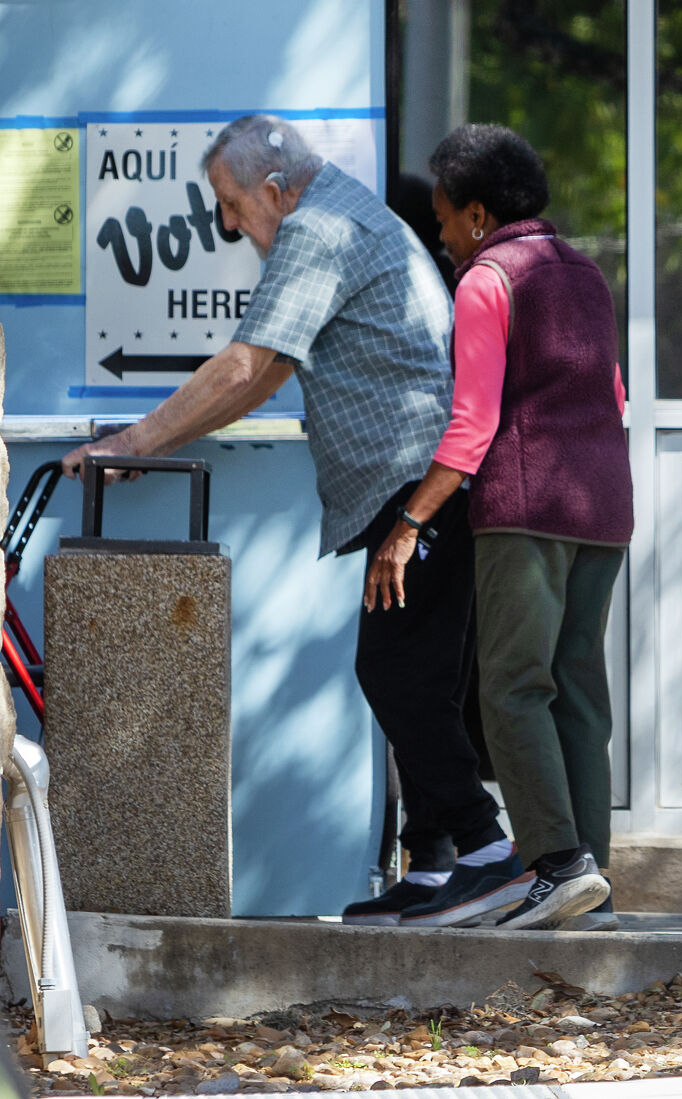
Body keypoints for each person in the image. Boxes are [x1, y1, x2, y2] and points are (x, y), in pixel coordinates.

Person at [59, 114, 526, 926]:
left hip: (416, 490)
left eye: (230, 204)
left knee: (395, 672)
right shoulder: (343, 214)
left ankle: (488, 853)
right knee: (421, 675)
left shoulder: (320, 229)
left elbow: (250, 365)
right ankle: (431, 863)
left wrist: (130, 442)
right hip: (416, 484)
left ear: (275, 189)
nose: (229, 225)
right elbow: (262, 372)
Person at [365, 123, 633, 932]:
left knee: (514, 687)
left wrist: (410, 520)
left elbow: (472, 424)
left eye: (445, 216)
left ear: (478, 215)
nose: (440, 233)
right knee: (580, 689)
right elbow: (613, 398)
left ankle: (555, 865)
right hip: (604, 507)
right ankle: (593, 877)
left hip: (526, 507)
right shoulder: (583, 274)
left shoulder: (488, 280)